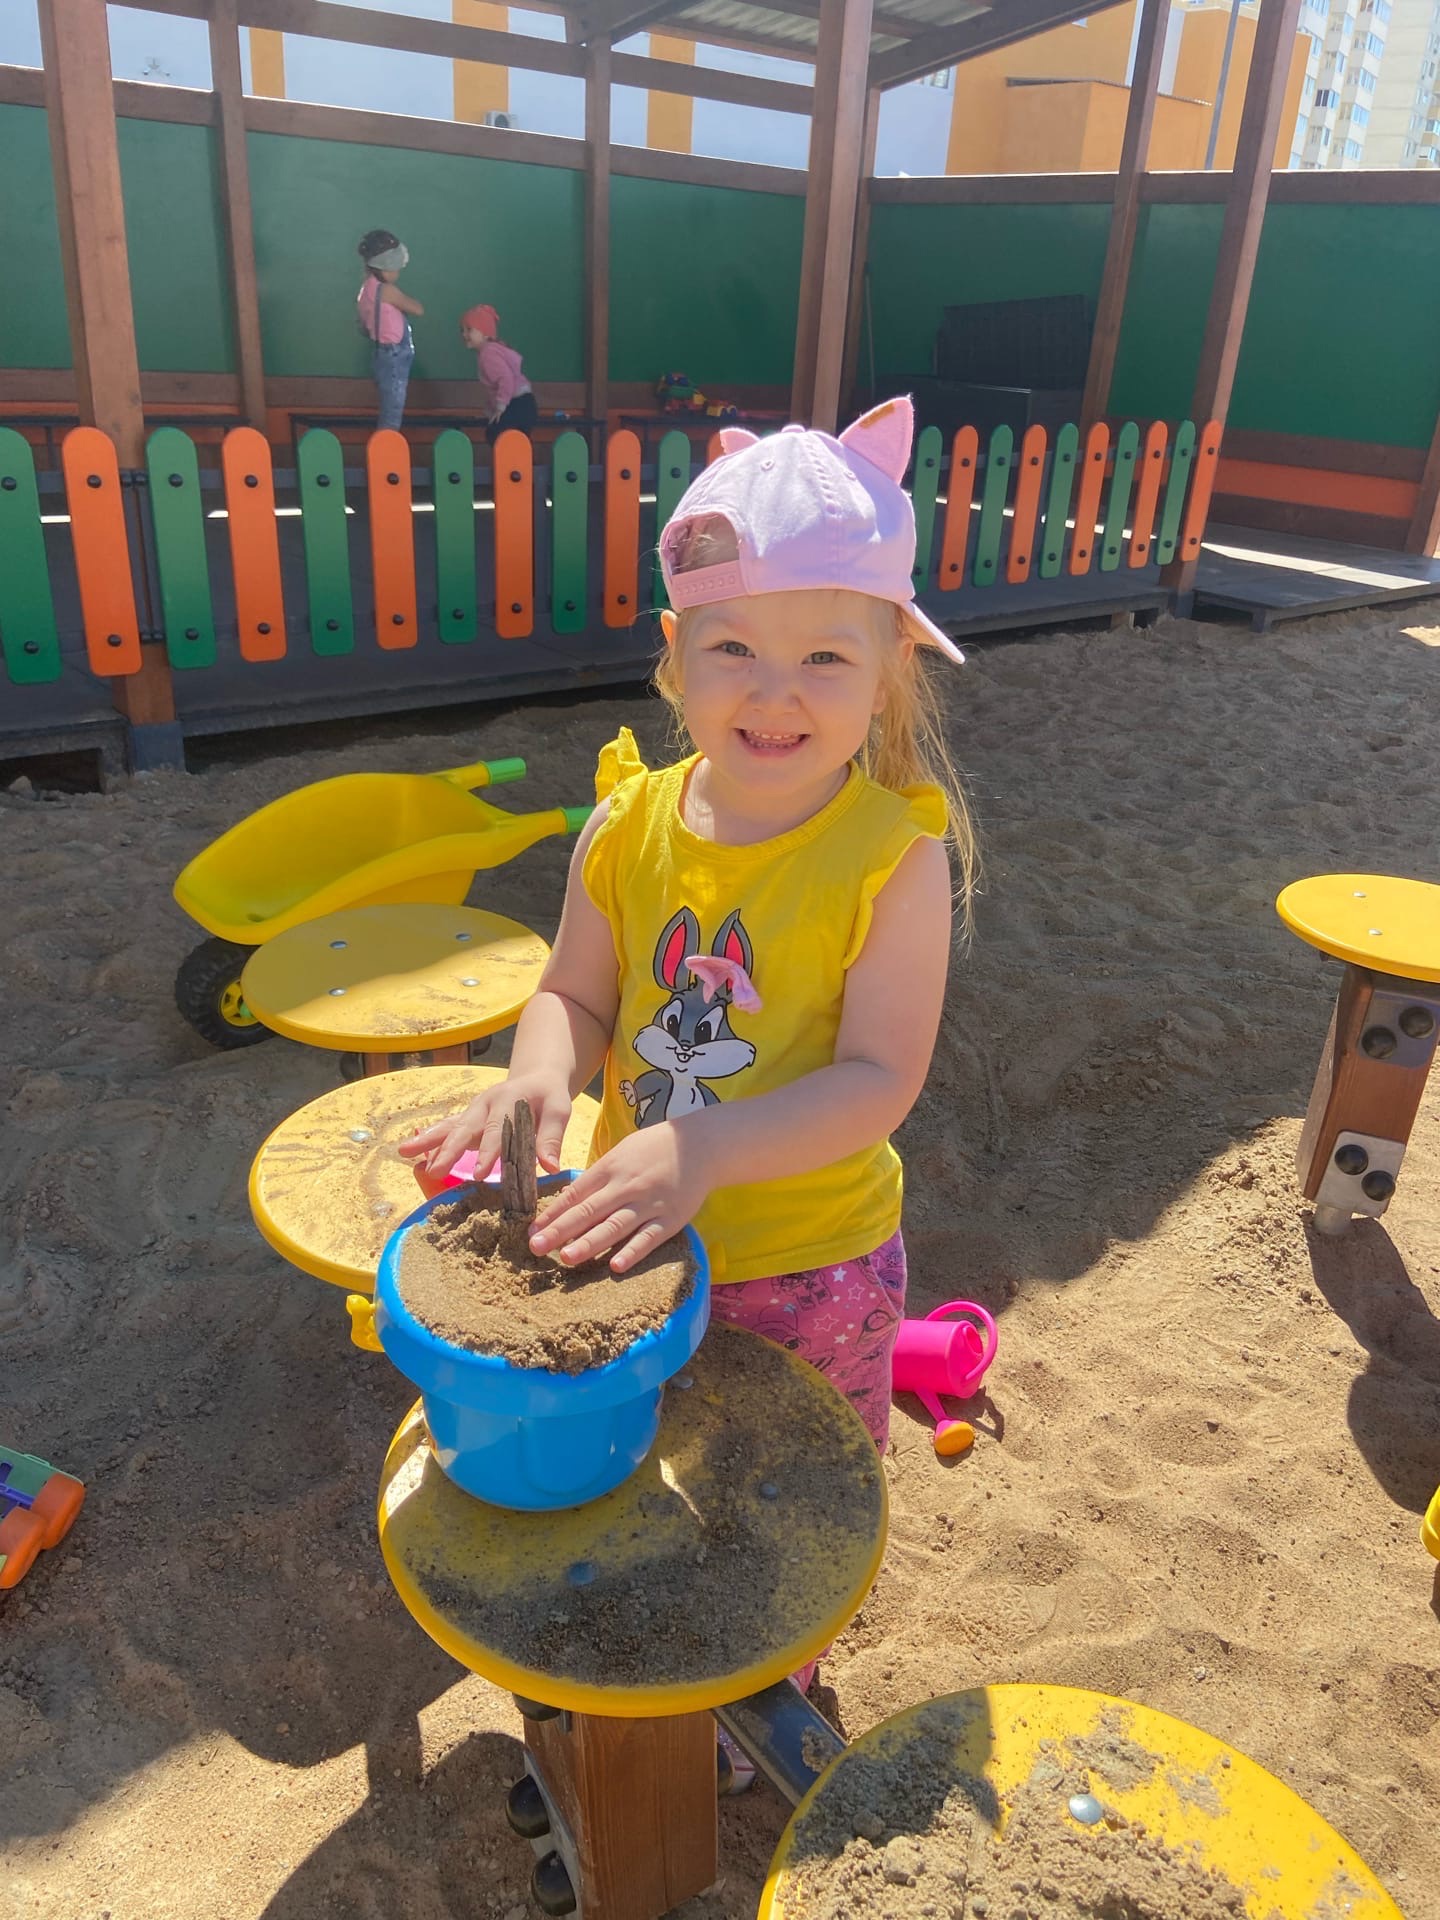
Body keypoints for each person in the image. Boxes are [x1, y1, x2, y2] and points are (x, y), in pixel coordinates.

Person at [399, 396, 977, 1774]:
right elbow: (575, 993)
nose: (774, 695)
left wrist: (709, 1150)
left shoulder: (892, 858)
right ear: (675, 654)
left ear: (890, 671)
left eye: (824, 656)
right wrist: (538, 1082)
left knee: (772, 1501)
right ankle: (642, 1676)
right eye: (734, 650)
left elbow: (880, 1079)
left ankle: (764, 1686)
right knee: (642, 1470)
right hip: (632, 1243)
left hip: (809, 1261)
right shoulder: (627, 821)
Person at [356, 229, 423, 432]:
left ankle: (386, 441)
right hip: (394, 354)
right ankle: (386, 445)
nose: (397, 273)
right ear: (383, 267)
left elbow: (363, 324)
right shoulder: (387, 290)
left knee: (389, 405)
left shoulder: (366, 289)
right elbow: (418, 309)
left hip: (380, 352)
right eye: (395, 268)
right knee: (392, 410)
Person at [459, 303, 538, 443]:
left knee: (497, 435)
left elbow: (506, 379)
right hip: (524, 403)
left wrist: (501, 407)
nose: (464, 334)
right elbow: (496, 387)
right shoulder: (492, 350)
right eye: (462, 330)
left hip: (517, 404)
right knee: (511, 440)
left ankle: (514, 456)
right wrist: (491, 411)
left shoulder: (488, 354)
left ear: (484, 333)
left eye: (469, 330)